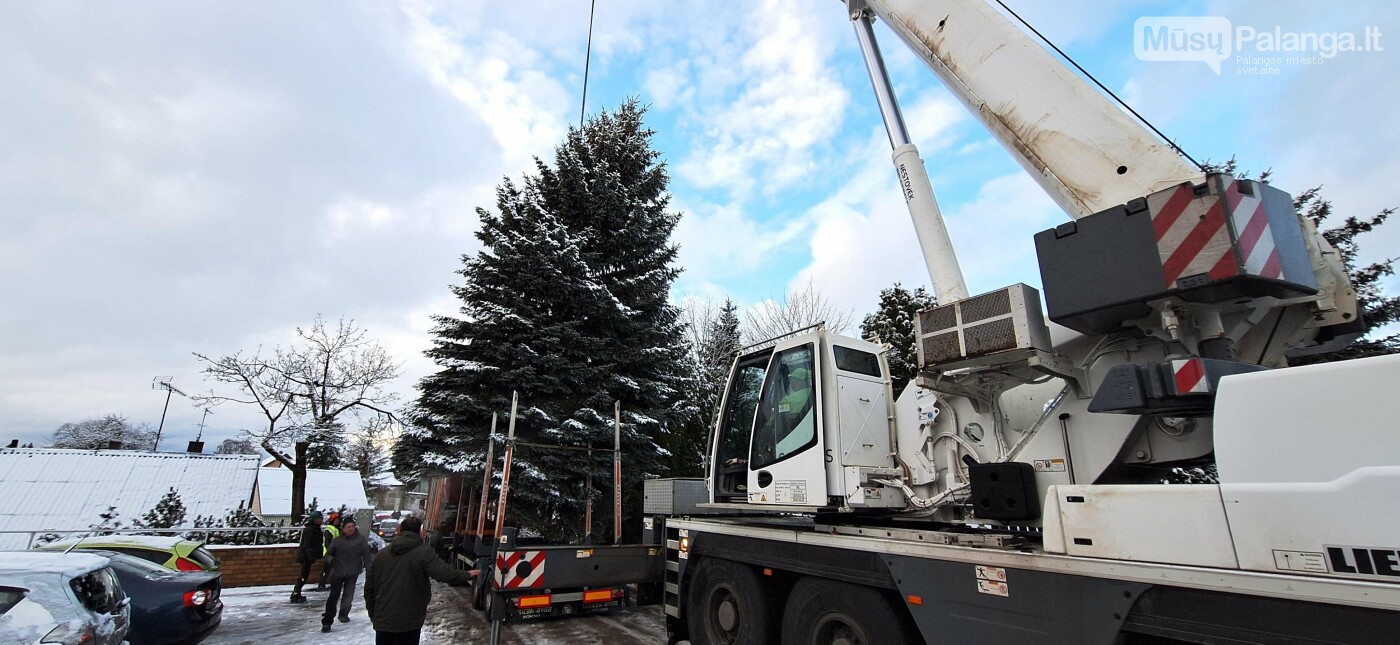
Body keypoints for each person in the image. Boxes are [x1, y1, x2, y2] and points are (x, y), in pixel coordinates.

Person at [363, 516, 478, 645]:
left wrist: (373, 614)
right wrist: (467, 574)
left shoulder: (381, 555)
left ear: (399, 530)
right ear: (419, 532)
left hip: (383, 619)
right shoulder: (423, 553)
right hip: (409, 619)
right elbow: (444, 574)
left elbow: (369, 588)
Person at [321, 518, 375, 633]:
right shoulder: (337, 541)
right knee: (333, 596)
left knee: (348, 594)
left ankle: (344, 613)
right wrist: (332, 561)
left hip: (353, 572)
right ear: (343, 529)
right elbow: (327, 555)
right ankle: (327, 621)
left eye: (352, 526)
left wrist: (369, 569)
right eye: (348, 527)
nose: (351, 529)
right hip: (338, 572)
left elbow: (366, 555)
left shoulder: (360, 540)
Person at [290, 511, 324, 603]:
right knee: (303, 575)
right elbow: (308, 544)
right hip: (305, 556)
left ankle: (297, 593)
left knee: (304, 575)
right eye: (318, 519)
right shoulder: (310, 529)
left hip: (307, 556)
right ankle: (296, 593)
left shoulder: (315, 528)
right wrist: (310, 556)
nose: (321, 520)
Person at [317, 512, 343, 591]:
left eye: (338, 520)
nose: (337, 521)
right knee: (327, 569)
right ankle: (321, 584)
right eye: (336, 520)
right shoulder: (330, 529)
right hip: (329, 553)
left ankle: (333, 583)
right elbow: (328, 542)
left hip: (336, 553)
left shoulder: (338, 529)